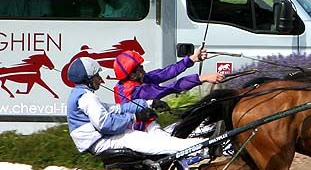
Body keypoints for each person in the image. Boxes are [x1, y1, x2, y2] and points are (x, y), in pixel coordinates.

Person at [66, 57, 212, 156]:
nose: (101, 80)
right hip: (100, 142)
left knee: (159, 140)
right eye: (97, 76)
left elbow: (115, 109)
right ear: (89, 79)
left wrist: (148, 103)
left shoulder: (82, 94)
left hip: (100, 140)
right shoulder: (87, 97)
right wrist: (135, 117)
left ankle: (200, 146)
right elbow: (105, 124)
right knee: (154, 142)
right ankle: (204, 146)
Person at [112, 46, 224, 132]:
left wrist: (192, 59)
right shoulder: (138, 91)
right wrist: (203, 78)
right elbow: (172, 87)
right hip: (142, 131)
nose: (143, 68)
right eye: (139, 68)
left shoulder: (133, 80)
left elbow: (165, 73)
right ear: (132, 75)